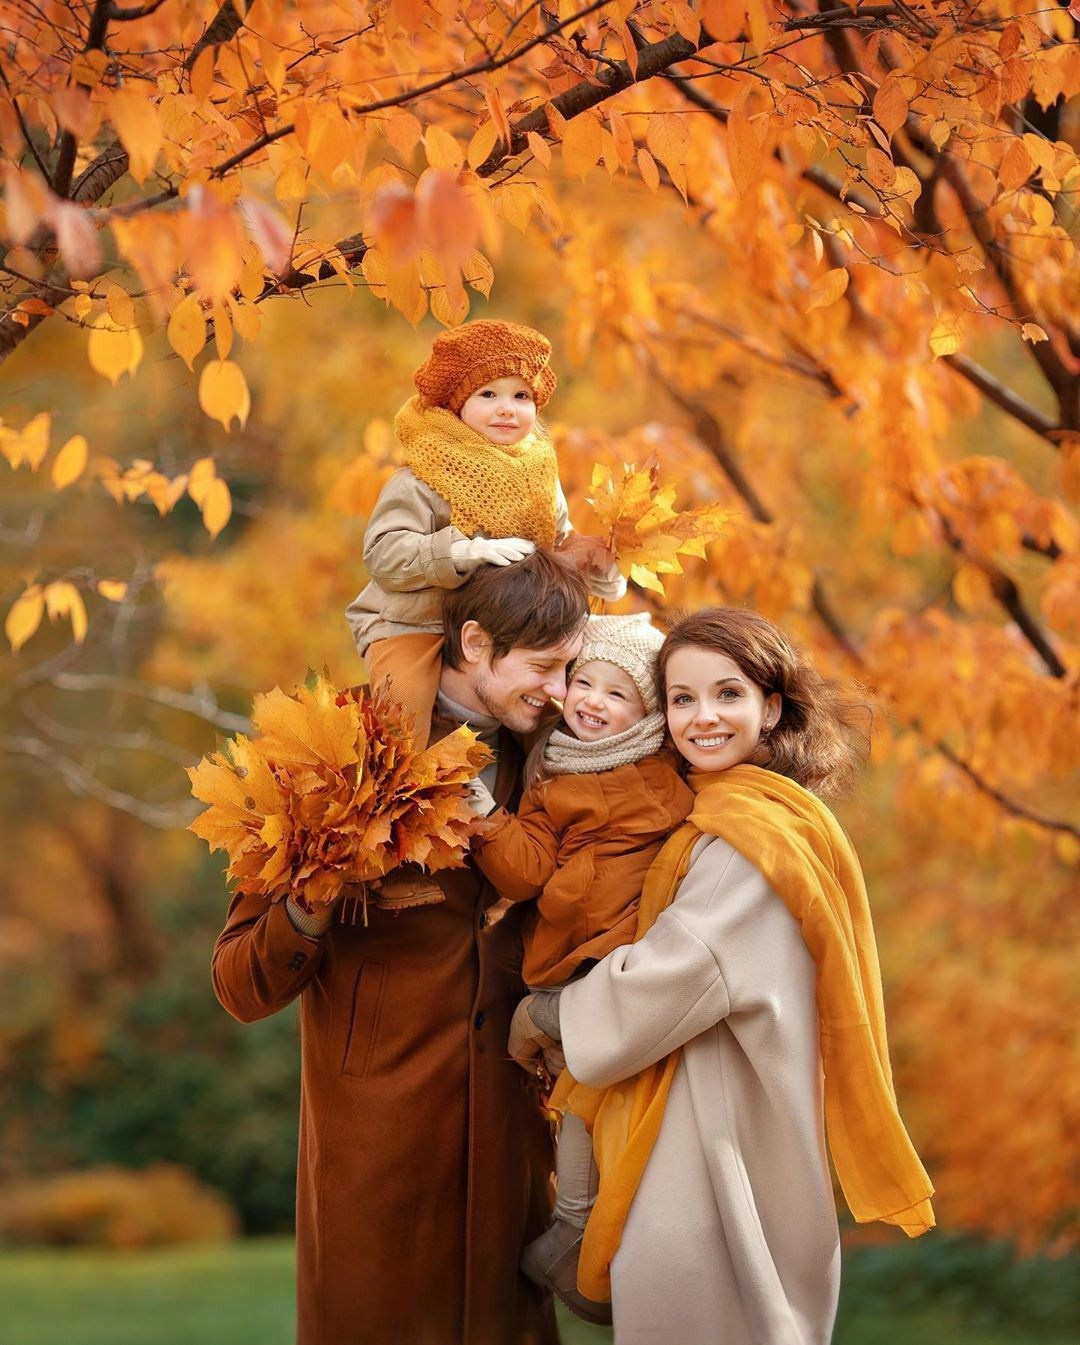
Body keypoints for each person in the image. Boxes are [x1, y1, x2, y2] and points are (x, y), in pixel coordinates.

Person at [510, 607, 936, 1345]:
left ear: (771, 707)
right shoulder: (727, 812)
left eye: (727, 693)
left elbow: (670, 977)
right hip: (718, 1126)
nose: (702, 716)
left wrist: (543, 1017)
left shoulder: (751, 839)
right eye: (681, 698)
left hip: (716, 1154)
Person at [211, 550, 589, 1345]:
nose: (561, 693)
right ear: (478, 643)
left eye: (571, 670)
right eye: (547, 669)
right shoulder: (341, 742)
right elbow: (240, 984)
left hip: (512, 1150)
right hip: (377, 1155)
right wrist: (312, 900)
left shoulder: (561, 753)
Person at [470, 612, 695, 1324]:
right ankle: (576, 1228)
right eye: (582, 681)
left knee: (587, 1094)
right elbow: (530, 864)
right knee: (577, 1098)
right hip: (571, 961)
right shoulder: (561, 768)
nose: (592, 700)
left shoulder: (649, 780)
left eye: (616, 693)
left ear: (648, 714)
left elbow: (544, 871)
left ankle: (577, 1226)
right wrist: (486, 813)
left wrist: (489, 818)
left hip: (603, 961)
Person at [345, 318, 624, 747]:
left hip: (509, 626)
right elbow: (383, 554)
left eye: (521, 396)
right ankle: (406, 793)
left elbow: (557, 544)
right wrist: (463, 552)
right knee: (402, 715)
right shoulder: (422, 477)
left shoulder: (539, 474)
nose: (508, 408)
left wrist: (599, 569)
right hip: (415, 621)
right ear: (457, 406)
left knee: (567, 692)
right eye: (488, 394)